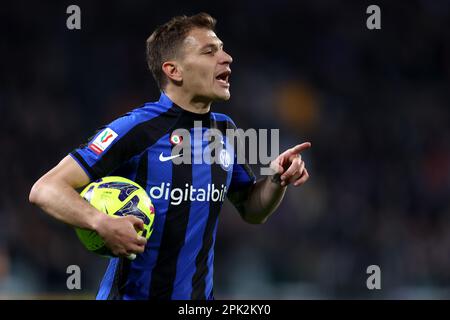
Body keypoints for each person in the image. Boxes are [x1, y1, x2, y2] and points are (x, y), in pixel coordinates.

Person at [29, 12, 310, 300]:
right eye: (210, 51)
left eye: (222, 48)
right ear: (174, 70)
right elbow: (46, 189)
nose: (227, 58)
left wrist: (277, 179)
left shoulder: (225, 131)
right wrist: (101, 222)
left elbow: (252, 210)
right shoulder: (137, 128)